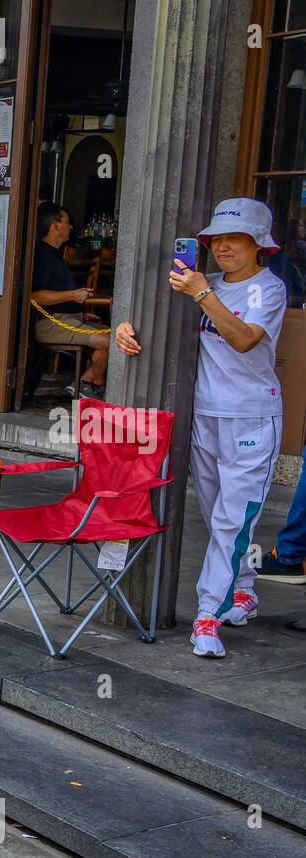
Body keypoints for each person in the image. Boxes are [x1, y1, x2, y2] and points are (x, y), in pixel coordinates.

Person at [116, 197, 288, 657]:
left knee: (234, 520)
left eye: (237, 238)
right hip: (205, 416)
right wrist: (124, 329)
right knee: (219, 517)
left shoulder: (268, 290)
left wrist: (199, 293)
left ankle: (209, 613)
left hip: (252, 418)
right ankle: (243, 590)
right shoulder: (201, 282)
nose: (224, 246)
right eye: (217, 238)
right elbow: (159, 322)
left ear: (259, 245)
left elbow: (246, 340)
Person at [31, 202, 110, 399]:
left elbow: (56, 292)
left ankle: (84, 382)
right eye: (67, 222)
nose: (71, 227)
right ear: (55, 226)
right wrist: (73, 295)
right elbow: (34, 296)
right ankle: (91, 385)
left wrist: (80, 313)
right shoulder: (41, 255)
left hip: (67, 319)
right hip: (50, 323)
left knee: (113, 333)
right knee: (108, 341)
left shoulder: (54, 255)